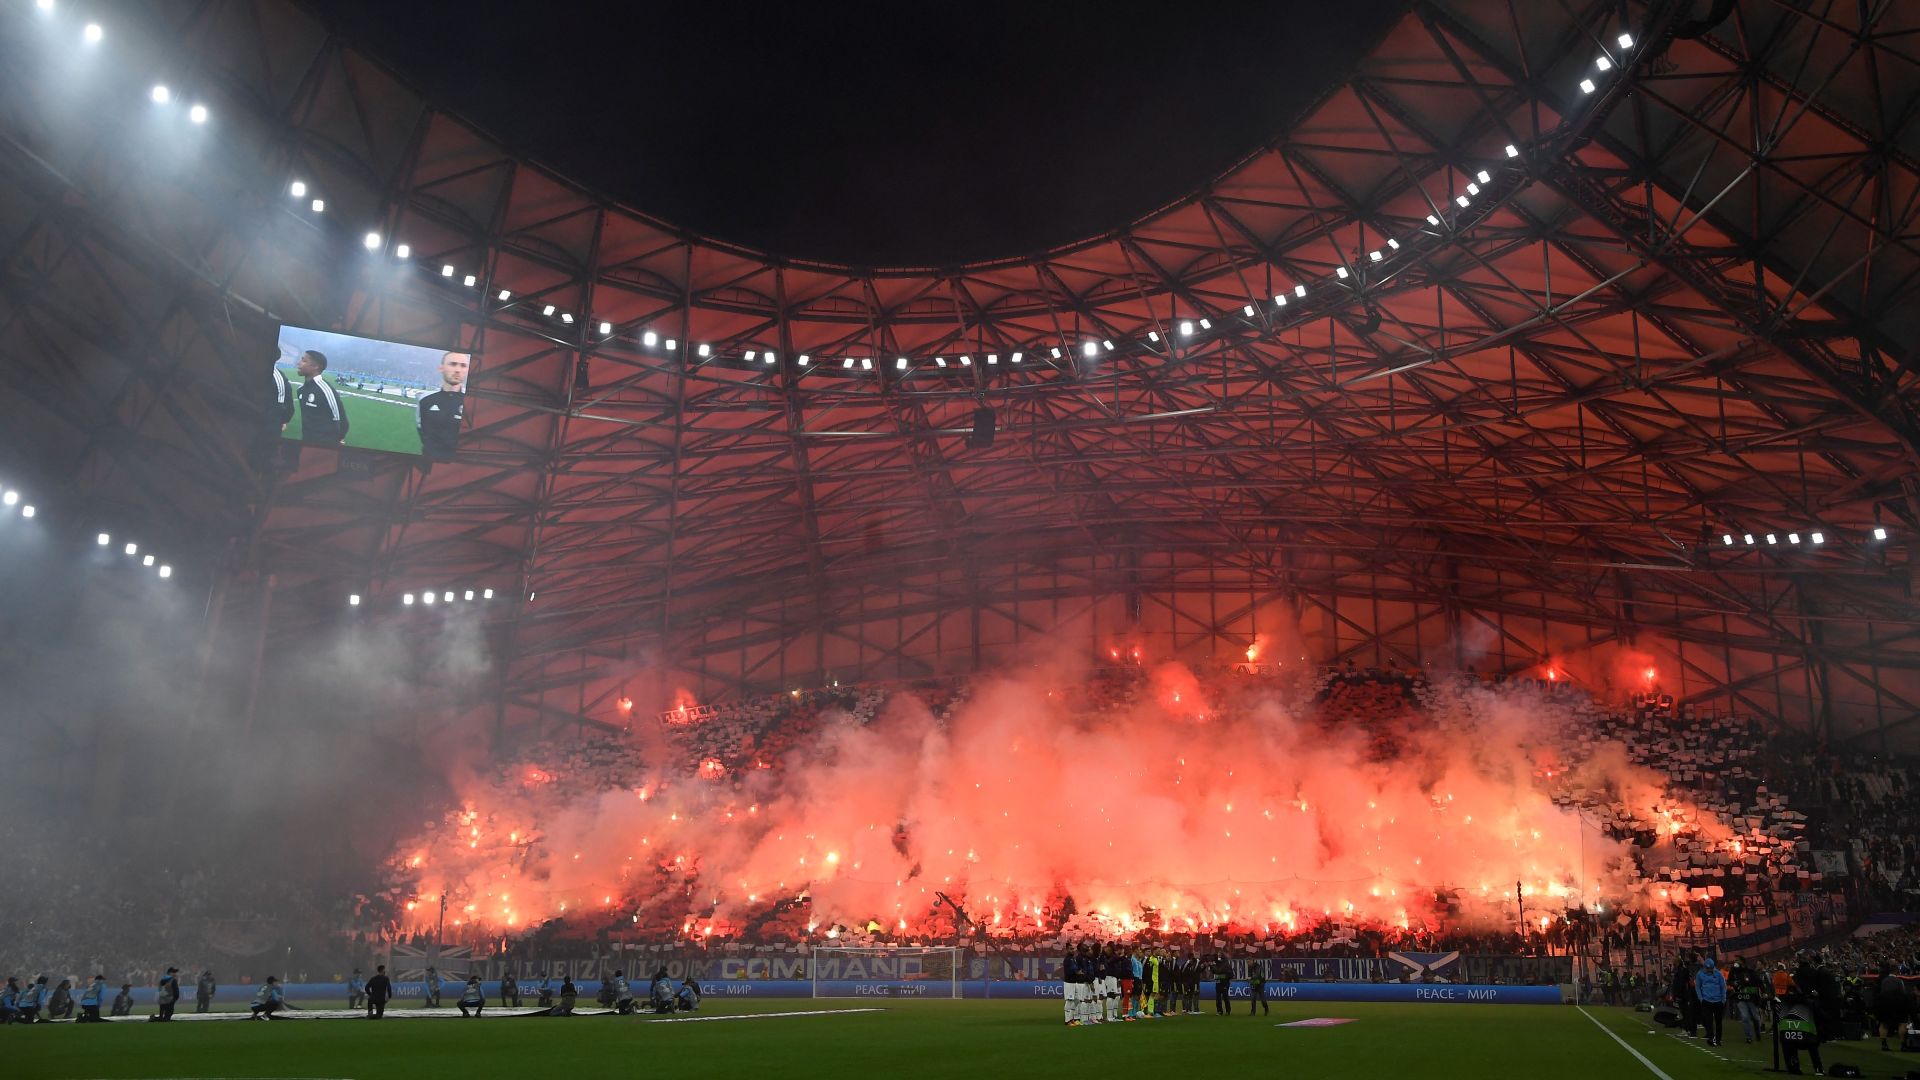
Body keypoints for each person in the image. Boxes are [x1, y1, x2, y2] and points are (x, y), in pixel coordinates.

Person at [416, 351, 469, 460]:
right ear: (441, 368)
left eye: (463, 366)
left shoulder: (473, 402)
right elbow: (421, 428)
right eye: (452, 364)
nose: (458, 370)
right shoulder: (425, 399)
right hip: (429, 460)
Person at [294, 350, 349, 445]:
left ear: (315, 366)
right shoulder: (301, 390)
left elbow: (341, 420)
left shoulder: (325, 390)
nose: (298, 363)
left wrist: (338, 439)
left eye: (304, 361)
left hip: (324, 445)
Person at [1877, 963, 1912, 1051]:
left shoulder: (1884, 980)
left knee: (1884, 1024)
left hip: (1885, 1004)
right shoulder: (1899, 981)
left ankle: (1884, 1044)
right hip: (1897, 1004)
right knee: (1902, 1023)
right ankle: (1903, 1045)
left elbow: (1882, 992)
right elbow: (1903, 994)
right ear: (1896, 971)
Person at [1694, 954, 1726, 1046]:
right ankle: (1711, 1037)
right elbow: (1697, 987)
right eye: (1708, 969)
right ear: (1704, 967)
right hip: (1706, 1001)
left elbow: (1723, 986)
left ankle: (1718, 1039)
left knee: (1718, 1022)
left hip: (1718, 1001)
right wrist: (1701, 998)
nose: (1709, 970)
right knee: (1708, 1021)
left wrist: (1723, 999)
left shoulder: (1718, 974)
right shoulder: (1700, 974)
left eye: (1711, 968)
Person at [270, 363, 296, 438]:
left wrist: (283, 420)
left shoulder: (278, 377)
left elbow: (283, 405)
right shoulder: (278, 377)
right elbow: (286, 405)